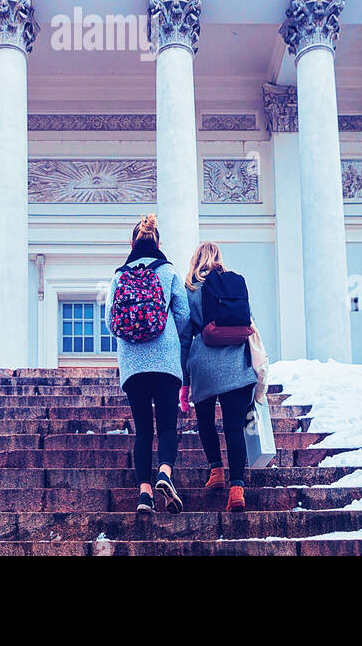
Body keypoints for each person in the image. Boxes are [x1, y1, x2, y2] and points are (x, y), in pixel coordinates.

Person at [106, 213, 190, 514]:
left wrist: (133, 334)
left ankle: (144, 495)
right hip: (166, 361)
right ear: (159, 243)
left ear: (131, 243)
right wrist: (164, 332)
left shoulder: (119, 275)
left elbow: (110, 322)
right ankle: (165, 473)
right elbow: (183, 315)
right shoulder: (168, 271)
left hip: (133, 364)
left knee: (143, 431)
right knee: (167, 427)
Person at [179, 241, 260, 512]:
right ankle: (237, 489)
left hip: (204, 365)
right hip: (237, 364)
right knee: (234, 427)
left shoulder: (190, 290)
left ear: (196, 260)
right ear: (218, 258)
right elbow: (249, 321)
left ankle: (216, 471)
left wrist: (184, 380)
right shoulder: (234, 284)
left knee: (205, 420)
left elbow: (184, 337)